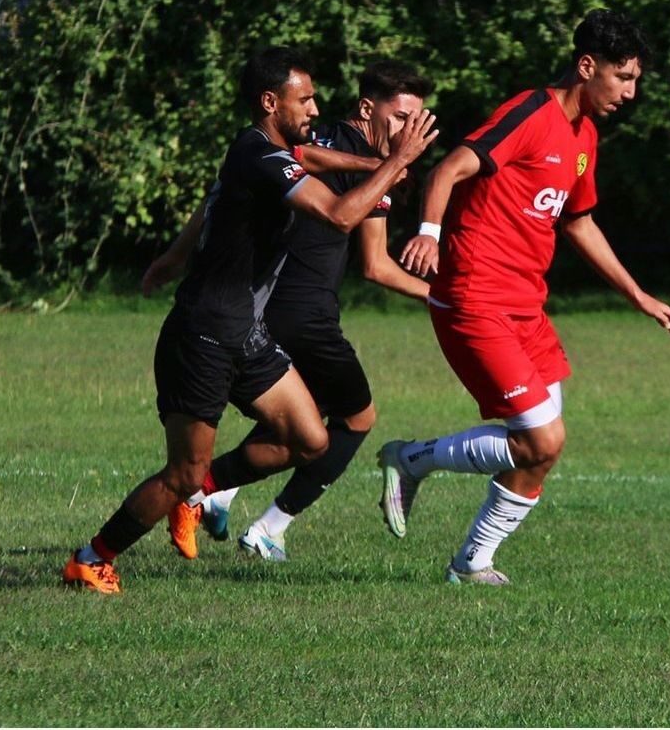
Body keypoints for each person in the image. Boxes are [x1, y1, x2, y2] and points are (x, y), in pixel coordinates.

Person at [63, 46, 437, 594]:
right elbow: (338, 215)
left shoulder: (280, 151)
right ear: (270, 101)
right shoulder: (255, 152)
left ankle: (202, 496)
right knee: (183, 473)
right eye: (303, 99)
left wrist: (379, 164)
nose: (314, 109)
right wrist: (397, 162)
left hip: (248, 334)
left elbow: (312, 162)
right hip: (206, 333)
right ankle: (92, 556)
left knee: (311, 440)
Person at [377, 9, 670, 586]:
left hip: (526, 304)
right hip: (474, 295)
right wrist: (428, 233)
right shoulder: (531, 112)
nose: (630, 91)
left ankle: (472, 563)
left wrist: (637, 295)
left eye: (636, 79)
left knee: (541, 450)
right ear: (587, 66)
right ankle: (411, 459)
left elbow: (579, 224)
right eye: (622, 77)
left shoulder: (585, 137)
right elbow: (448, 169)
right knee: (542, 436)